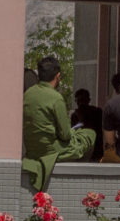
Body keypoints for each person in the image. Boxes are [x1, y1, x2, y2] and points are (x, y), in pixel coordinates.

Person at [22, 56, 99, 189]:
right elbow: (65, 135)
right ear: (58, 76)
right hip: (52, 150)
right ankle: (78, 178)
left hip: (32, 150)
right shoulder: (56, 98)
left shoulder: (28, 94)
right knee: (90, 134)